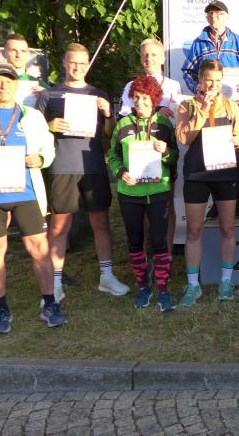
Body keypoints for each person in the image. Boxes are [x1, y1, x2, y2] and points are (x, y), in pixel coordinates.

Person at [0, 63, 65, 334]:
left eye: (8, 80)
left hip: (25, 192)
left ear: (16, 86)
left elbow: (48, 148)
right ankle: (1, 309)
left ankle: (50, 304)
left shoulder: (31, 116)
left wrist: (40, 159)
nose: (3, 85)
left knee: (39, 248)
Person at [36, 43, 130, 303]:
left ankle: (106, 277)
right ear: (64, 63)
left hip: (93, 167)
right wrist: (48, 125)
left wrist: (108, 114)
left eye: (82, 63)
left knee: (101, 223)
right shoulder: (49, 95)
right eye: (73, 62)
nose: (77, 67)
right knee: (59, 227)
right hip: (62, 167)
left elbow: (110, 135)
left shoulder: (98, 94)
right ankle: (55, 283)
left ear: (88, 64)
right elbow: (32, 132)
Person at [107, 75, 179, 312]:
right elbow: (112, 156)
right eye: (136, 97)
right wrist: (120, 172)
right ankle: (144, 287)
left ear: (154, 98)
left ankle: (164, 290)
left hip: (158, 191)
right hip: (130, 192)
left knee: (159, 241)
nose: (140, 102)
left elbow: (175, 157)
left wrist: (166, 151)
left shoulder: (164, 123)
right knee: (135, 241)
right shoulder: (122, 124)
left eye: (145, 98)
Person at [175, 58, 239, 305]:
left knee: (228, 228)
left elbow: (238, 139)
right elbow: (184, 138)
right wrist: (203, 109)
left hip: (225, 174)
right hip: (197, 175)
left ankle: (226, 281)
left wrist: (237, 141)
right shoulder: (187, 105)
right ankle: (193, 285)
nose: (213, 85)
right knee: (194, 230)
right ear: (200, 80)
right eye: (208, 80)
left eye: (217, 80)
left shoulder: (232, 106)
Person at [180, 0, 239, 217]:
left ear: (226, 17)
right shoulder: (199, 43)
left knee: (234, 151)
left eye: (219, 14)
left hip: (232, 105)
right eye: (210, 14)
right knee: (204, 150)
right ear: (206, 17)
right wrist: (197, 87)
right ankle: (213, 202)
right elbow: (187, 71)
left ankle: (233, 201)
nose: (215, 17)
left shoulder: (238, 41)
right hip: (205, 105)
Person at [119, 38, 183, 255]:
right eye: (145, 55)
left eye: (154, 55)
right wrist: (155, 111)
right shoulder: (131, 86)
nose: (149, 59)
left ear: (163, 58)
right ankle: (145, 255)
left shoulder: (173, 86)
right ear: (140, 58)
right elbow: (124, 117)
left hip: (162, 153)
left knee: (167, 204)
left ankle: (167, 254)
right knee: (142, 208)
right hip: (138, 155)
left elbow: (178, 117)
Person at [0, 33, 49, 105]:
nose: (18, 55)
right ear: (4, 53)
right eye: (13, 51)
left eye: (23, 51)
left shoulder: (41, 86)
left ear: (28, 54)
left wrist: (46, 95)